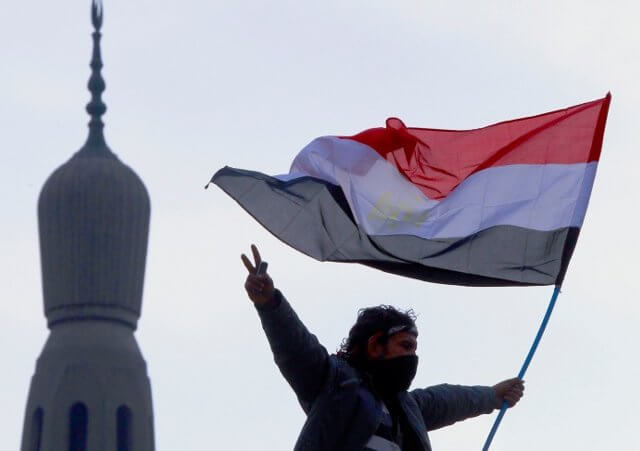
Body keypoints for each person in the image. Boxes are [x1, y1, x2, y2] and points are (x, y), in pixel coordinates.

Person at [241, 244, 524, 451]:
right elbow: (297, 349)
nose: (412, 357)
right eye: (405, 345)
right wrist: (270, 303)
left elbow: (449, 400)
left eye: (414, 349)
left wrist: (492, 395)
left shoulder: (408, 407)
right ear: (375, 345)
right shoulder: (335, 382)